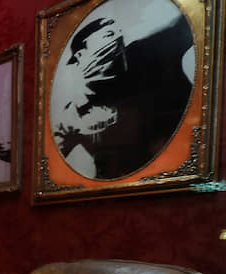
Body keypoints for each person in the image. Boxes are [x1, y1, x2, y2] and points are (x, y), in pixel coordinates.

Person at [52, 10, 193, 180]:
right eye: (108, 34)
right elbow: (54, 164)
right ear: (80, 56)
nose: (118, 37)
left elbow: (180, 28)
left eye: (118, 33)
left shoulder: (145, 54)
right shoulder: (72, 111)